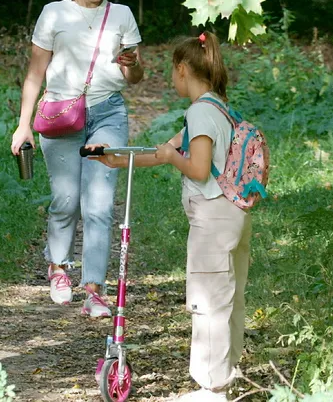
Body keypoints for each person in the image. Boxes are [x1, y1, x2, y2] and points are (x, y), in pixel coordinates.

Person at [89, 32, 251, 402]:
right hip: (234, 214)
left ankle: (212, 389)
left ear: (182, 69)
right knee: (229, 300)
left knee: (208, 302)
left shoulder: (200, 112)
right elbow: (165, 150)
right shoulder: (219, 108)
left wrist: (172, 158)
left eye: (171, 71)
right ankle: (225, 378)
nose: (171, 78)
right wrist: (115, 158)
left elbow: (197, 168)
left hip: (213, 219)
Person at [10, 0, 145, 318]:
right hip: (62, 113)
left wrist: (131, 64)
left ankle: (94, 290)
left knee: (99, 204)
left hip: (107, 113)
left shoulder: (121, 15)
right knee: (66, 198)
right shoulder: (54, 13)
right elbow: (35, 73)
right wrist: (23, 125)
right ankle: (58, 267)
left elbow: (135, 77)